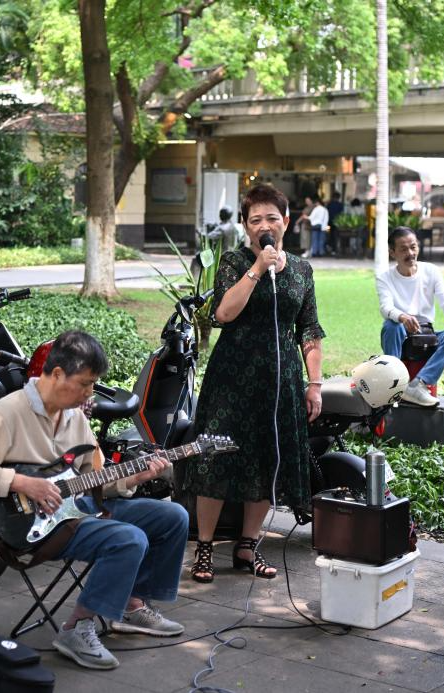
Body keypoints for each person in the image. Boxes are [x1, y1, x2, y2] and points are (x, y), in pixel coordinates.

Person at [0, 330, 189, 670]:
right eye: (85, 383)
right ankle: (76, 628)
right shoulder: (7, 413)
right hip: (30, 526)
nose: (90, 393)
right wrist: (22, 482)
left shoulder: (75, 416)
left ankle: (132, 605)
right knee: (128, 539)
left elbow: (96, 478)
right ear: (58, 374)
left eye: (93, 384)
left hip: (77, 510)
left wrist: (135, 478)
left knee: (173, 517)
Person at [183, 183, 325, 583]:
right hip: (233, 378)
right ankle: (205, 546)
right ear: (246, 226)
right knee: (216, 458)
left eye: (272, 218)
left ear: (286, 222)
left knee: (268, 458)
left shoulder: (302, 270)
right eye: (256, 219)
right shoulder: (234, 261)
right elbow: (223, 314)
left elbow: (310, 331)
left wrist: (314, 383)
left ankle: (247, 545)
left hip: (280, 380)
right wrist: (258, 268)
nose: (264, 225)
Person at [376, 227, 444, 407]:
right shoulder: (384, 277)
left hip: (425, 334)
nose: (410, 253)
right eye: (403, 249)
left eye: (413, 247)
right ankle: (393, 383)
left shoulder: (431, 271)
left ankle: (419, 385)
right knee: (391, 326)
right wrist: (402, 317)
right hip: (400, 333)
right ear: (392, 252)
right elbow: (385, 308)